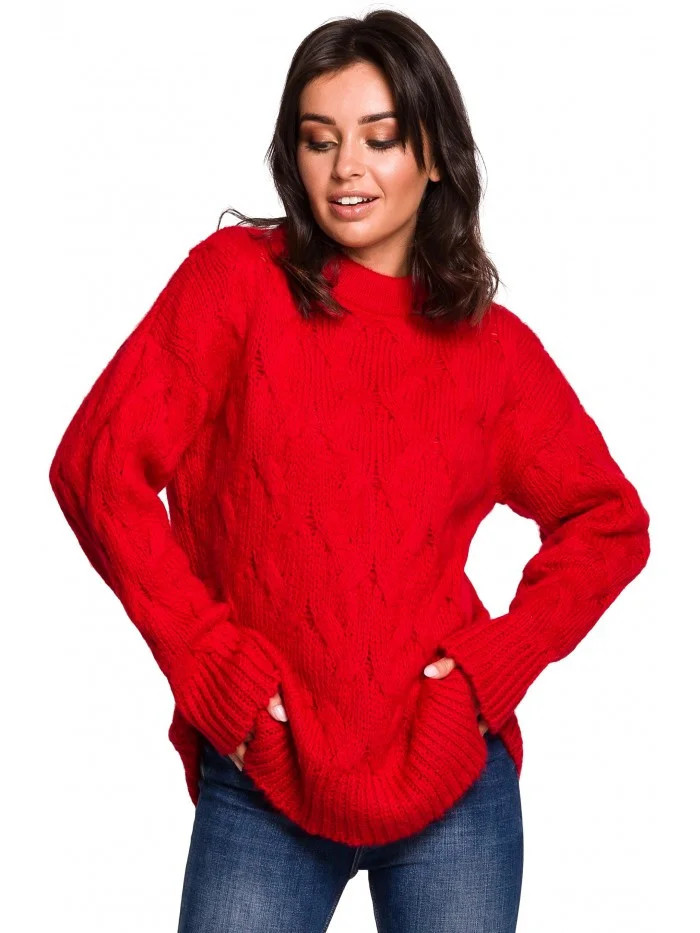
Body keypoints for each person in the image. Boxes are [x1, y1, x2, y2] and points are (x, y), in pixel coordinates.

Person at [48, 10, 651, 933]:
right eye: (319, 139)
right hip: (263, 769)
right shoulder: (234, 283)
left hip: (451, 775)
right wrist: (209, 660)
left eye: (380, 137)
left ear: (434, 153)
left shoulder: (493, 352)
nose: (346, 169)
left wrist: (493, 666)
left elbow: (608, 521)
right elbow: (98, 468)